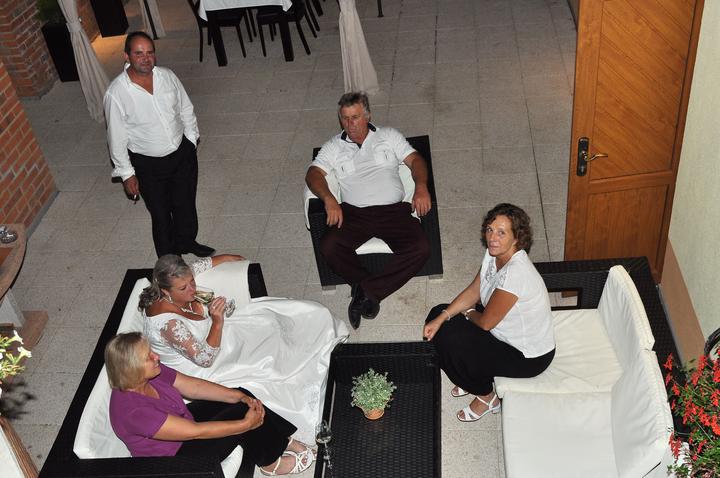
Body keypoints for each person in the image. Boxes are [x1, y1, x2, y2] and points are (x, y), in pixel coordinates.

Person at [140, 254, 349, 444]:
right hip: (203, 366)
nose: (192, 289)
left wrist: (226, 258)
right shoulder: (168, 324)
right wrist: (217, 321)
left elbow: (202, 265)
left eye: (191, 282)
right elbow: (205, 359)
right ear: (165, 291)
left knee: (273, 322)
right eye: (183, 288)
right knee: (266, 361)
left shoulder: (179, 278)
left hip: (221, 338)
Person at [305, 91, 432, 329]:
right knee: (329, 246)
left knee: (421, 248)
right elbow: (313, 174)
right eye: (345, 118)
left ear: (367, 115)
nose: (350, 124)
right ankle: (368, 290)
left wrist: (422, 186)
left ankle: (366, 291)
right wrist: (329, 199)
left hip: (393, 211)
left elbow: (416, 160)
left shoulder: (388, 135)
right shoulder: (334, 146)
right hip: (354, 214)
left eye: (355, 117)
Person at [105, 332, 313, 475]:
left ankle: (280, 440)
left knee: (243, 397)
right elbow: (195, 432)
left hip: (183, 421)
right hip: (176, 460)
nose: (156, 356)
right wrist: (245, 424)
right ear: (132, 368)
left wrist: (237, 395)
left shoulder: (151, 373)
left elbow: (193, 387)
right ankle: (270, 463)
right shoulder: (133, 412)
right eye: (148, 357)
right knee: (241, 415)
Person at [423, 203, 555, 422]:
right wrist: (443, 316)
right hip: (503, 333)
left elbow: (485, 323)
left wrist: (468, 312)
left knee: (452, 343)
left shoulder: (516, 273)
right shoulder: (494, 254)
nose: (492, 238)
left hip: (526, 356)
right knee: (438, 315)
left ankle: (487, 397)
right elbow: (475, 290)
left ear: (517, 238)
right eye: (490, 230)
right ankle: (469, 374)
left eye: (502, 233)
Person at [104, 31, 214, 258]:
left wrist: (191, 140)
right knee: (161, 215)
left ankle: (187, 242)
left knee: (185, 205)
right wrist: (127, 174)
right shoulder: (116, 93)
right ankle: (170, 263)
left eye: (150, 52)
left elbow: (185, 108)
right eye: (139, 53)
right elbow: (116, 138)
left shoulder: (167, 76)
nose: (146, 58)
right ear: (126, 56)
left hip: (182, 154)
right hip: (148, 164)